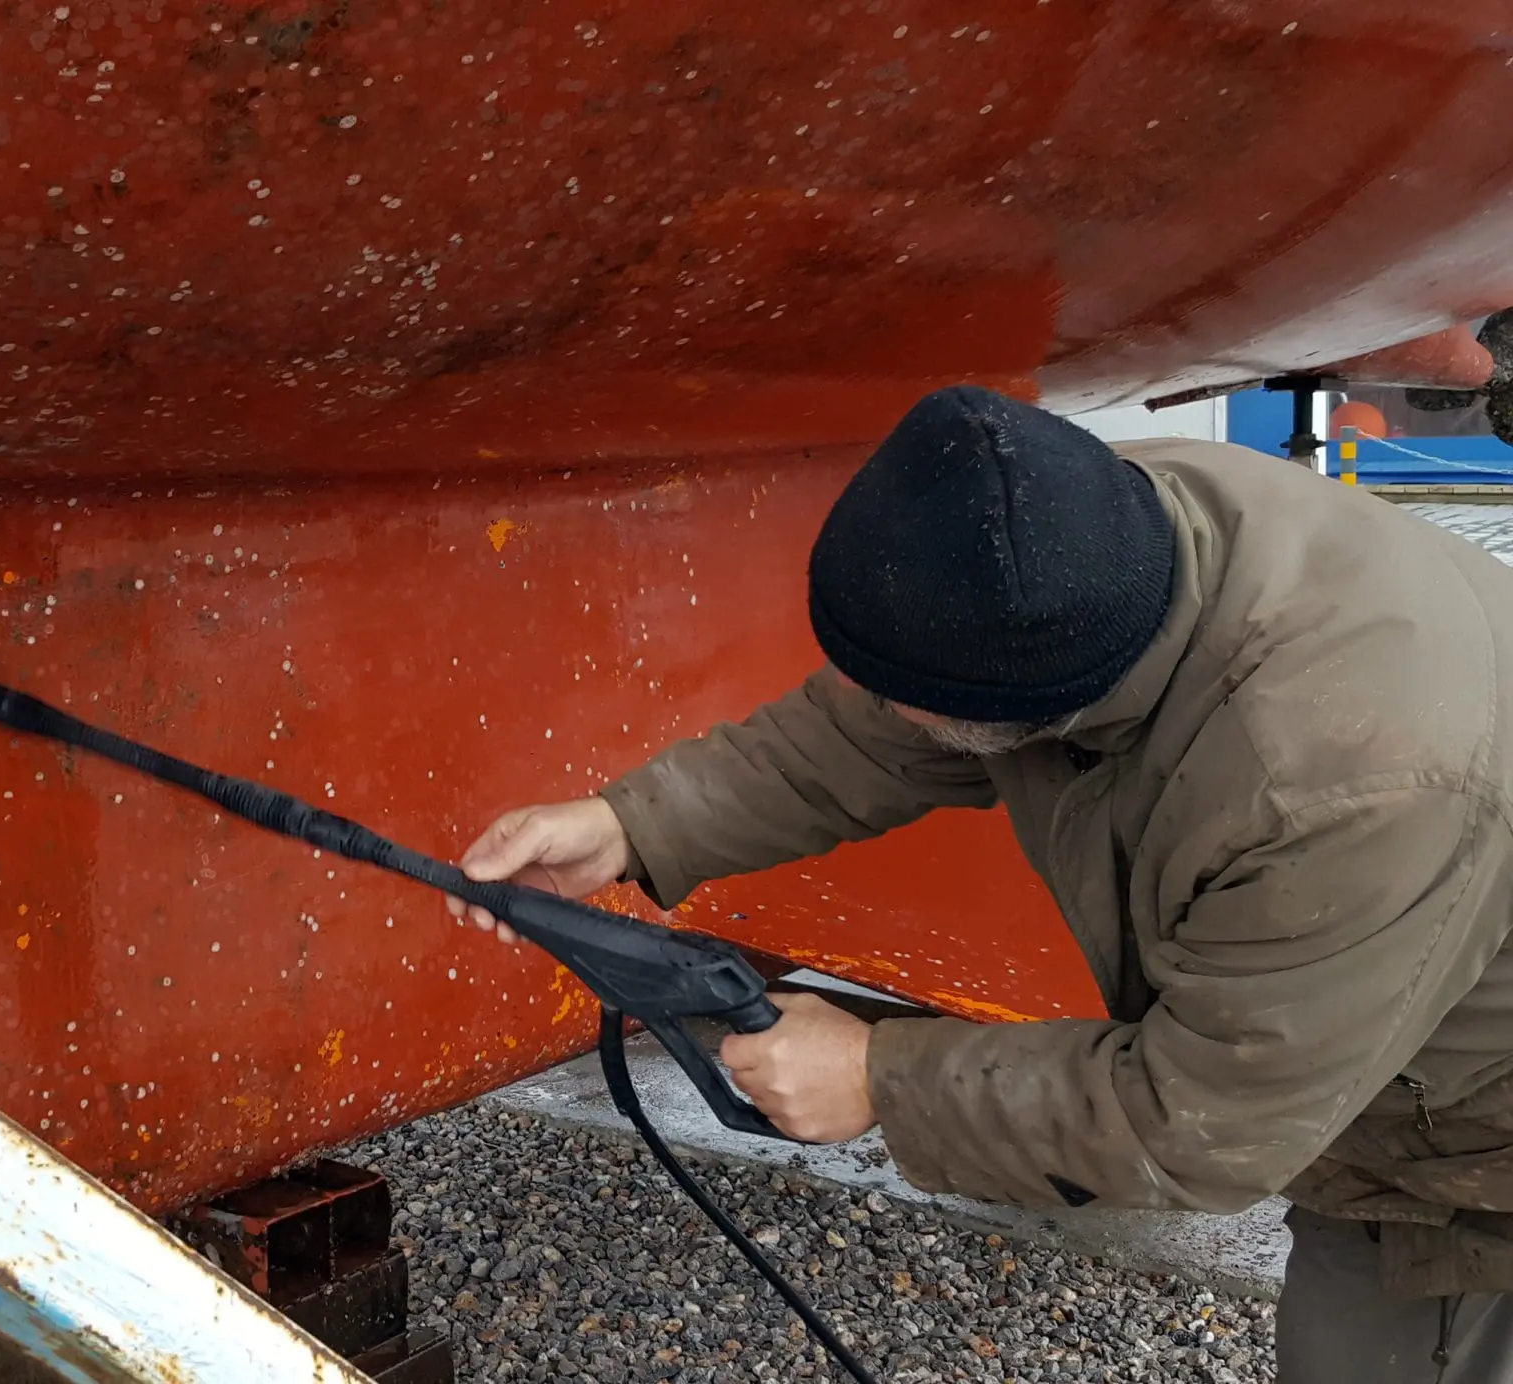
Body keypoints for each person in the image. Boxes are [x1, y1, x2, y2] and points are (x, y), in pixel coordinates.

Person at [448, 385, 1513, 1382]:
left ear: (1034, 709)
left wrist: (881, 1074)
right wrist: (630, 824)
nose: (887, 715)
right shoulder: (1078, 536)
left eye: (916, 702)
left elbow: (1201, 1120)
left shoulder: (1336, 791)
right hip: (1373, 1055)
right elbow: (870, 730)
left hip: (1475, 1165)